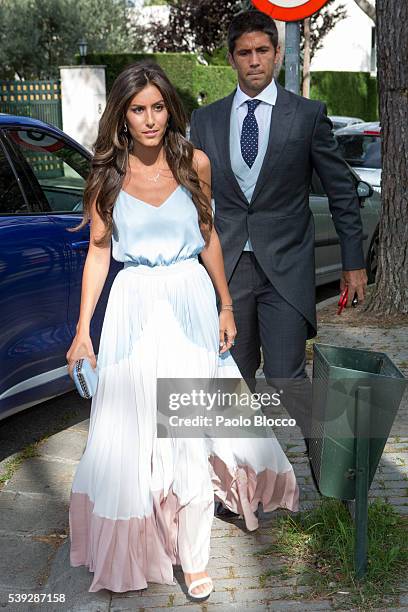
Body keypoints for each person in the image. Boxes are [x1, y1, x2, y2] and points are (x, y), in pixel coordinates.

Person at [66, 62, 299, 599]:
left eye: (158, 107)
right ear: (123, 116)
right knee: (134, 434)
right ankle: (142, 545)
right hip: (134, 310)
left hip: (191, 303)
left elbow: (209, 234)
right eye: (138, 109)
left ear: (170, 108)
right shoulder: (107, 174)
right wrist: (84, 331)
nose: (150, 119)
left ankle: (194, 558)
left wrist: (225, 303)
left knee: (189, 430)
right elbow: (99, 255)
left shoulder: (194, 162)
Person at [189, 10, 368, 445]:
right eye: (244, 53)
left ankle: (331, 481)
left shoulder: (306, 115)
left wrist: (353, 263)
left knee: (289, 379)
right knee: (233, 383)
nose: (254, 61)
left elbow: (342, 190)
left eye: (262, 51)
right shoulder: (205, 121)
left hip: (286, 270)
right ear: (232, 59)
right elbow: (192, 200)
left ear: (276, 54)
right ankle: (236, 489)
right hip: (228, 272)